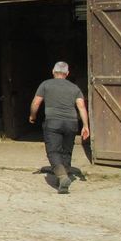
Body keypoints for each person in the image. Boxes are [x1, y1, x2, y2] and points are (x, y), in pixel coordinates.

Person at [28, 61, 89, 194]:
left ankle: (62, 177)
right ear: (67, 74)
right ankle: (64, 177)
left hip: (53, 123)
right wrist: (85, 125)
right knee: (66, 152)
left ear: (53, 72)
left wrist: (32, 115)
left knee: (53, 151)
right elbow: (81, 106)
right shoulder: (74, 88)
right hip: (71, 123)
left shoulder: (45, 84)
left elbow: (36, 102)